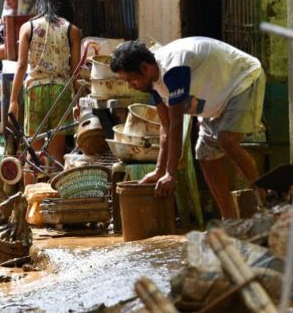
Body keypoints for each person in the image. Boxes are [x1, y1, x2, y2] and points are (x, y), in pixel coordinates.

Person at [109, 38, 266, 219]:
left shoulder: (173, 69)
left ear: (144, 68)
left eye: (130, 80)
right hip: (217, 98)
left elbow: (176, 124)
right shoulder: (152, 82)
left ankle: (264, 199)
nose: (131, 86)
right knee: (205, 154)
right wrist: (159, 171)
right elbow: (166, 126)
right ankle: (229, 220)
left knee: (227, 141)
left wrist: (170, 174)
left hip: (243, 80)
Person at [8, 0, 81, 180]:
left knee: (33, 152)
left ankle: (30, 195)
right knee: (57, 154)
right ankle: (55, 195)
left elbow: (21, 66)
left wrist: (13, 101)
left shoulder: (28, 27)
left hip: (35, 91)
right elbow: (75, 72)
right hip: (61, 92)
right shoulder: (72, 30)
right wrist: (78, 102)